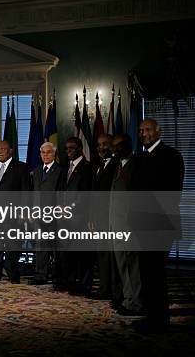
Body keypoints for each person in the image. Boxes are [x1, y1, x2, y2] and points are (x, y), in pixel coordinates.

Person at [133, 118, 184, 332]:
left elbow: (172, 194)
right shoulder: (140, 158)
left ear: (158, 132)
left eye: (147, 130)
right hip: (142, 226)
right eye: (141, 130)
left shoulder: (171, 156)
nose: (143, 133)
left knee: (156, 275)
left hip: (160, 225)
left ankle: (159, 320)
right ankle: (151, 316)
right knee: (146, 274)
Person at [0, 140, 30, 283]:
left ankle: (12, 272)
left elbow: (26, 192)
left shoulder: (21, 168)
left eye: (3, 149)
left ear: (11, 151)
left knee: (13, 244)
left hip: (13, 214)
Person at [110, 133, 142, 316]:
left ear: (129, 145)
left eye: (120, 145)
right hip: (116, 224)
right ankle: (128, 299)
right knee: (122, 265)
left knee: (132, 265)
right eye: (115, 146)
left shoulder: (137, 165)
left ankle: (136, 303)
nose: (116, 149)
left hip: (130, 226)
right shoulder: (117, 165)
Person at [60, 136, 93, 294]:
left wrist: (70, 207)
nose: (68, 151)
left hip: (80, 217)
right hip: (65, 217)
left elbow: (85, 194)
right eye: (66, 148)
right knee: (69, 253)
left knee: (82, 254)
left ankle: (84, 285)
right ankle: (70, 283)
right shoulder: (67, 166)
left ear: (80, 148)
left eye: (72, 148)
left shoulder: (87, 167)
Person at [28, 141, 63, 285]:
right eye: (43, 152)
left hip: (54, 215)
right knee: (40, 246)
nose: (45, 155)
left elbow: (61, 193)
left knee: (55, 247)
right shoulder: (36, 171)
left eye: (49, 152)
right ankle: (40, 275)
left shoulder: (60, 170)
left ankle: (57, 277)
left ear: (54, 154)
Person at [90, 134, 119, 299]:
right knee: (102, 255)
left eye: (105, 144)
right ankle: (104, 288)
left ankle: (113, 291)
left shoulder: (117, 165)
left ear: (112, 146)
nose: (101, 148)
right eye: (99, 144)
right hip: (98, 218)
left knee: (113, 258)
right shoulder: (98, 165)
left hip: (112, 218)